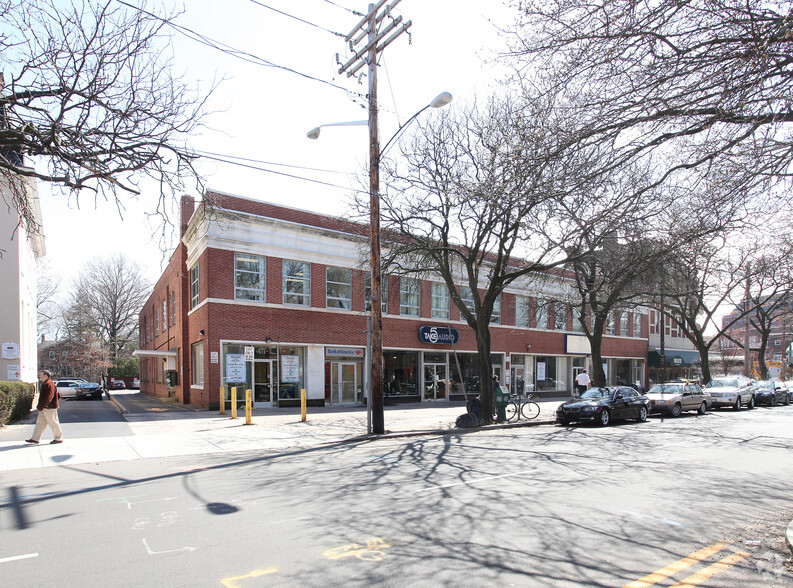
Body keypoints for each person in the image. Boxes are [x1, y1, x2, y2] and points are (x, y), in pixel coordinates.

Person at [26, 370, 63, 444]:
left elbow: (48, 398)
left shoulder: (49, 384)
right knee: (40, 423)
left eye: (40, 375)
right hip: (45, 408)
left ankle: (58, 438)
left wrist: (41, 406)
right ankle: (35, 438)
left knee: (53, 423)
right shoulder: (45, 383)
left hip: (49, 408)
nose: (39, 376)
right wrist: (41, 407)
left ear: (46, 376)